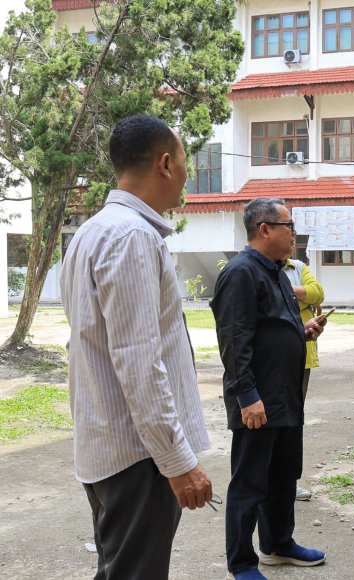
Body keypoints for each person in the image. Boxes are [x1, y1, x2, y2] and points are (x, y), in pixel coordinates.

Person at [60, 115, 213, 579]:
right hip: (138, 456)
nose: (187, 172)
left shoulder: (92, 232)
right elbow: (140, 361)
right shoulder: (131, 236)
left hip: (111, 445)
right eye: (186, 160)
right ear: (166, 164)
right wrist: (177, 460)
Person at [211, 198, 327, 580]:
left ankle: (278, 543)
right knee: (250, 481)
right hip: (259, 398)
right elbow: (234, 341)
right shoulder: (240, 273)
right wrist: (247, 396)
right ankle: (242, 562)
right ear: (265, 230)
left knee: (283, 475)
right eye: (288, 225)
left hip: (286, 394)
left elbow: (271, 327)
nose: (294, 233)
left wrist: (303, 331)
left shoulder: (278, 272)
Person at [283, 239, 325, 502]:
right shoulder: (253, 269)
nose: (290, 239)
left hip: (302, 353)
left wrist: (289, 292)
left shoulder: (297, 266)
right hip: (273, 357)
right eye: (286, 230)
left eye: (293, 232)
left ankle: (289, 480)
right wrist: (301, 298)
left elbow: (318, 292)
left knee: (294, 418)